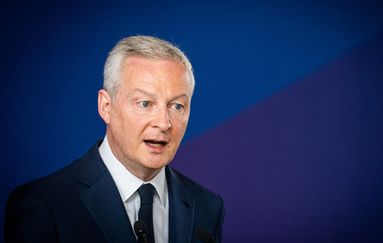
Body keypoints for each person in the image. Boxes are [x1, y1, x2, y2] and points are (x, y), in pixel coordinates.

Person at [4, 36, 224, 243]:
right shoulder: (43, 205)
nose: (164, 123)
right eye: (145, 103)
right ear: (105, 107)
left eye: (177, 106)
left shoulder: (208, 207)